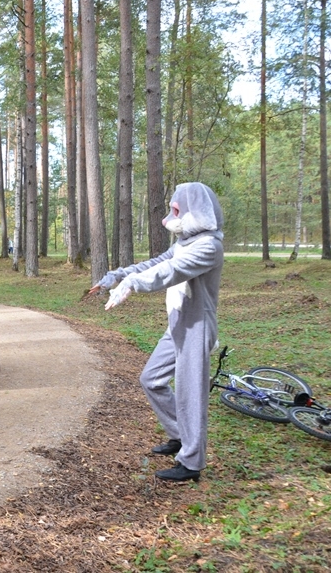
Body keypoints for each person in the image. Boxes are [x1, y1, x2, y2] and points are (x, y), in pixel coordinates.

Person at [91, 182, 224, 482]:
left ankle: (192, 462)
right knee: (151, 378)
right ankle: (180, 435)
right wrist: (117, 276)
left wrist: (133, 284)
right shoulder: (185, 243)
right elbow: (157, 262)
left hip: (197, 327)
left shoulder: (209, 246)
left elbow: (170, 272)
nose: (170, 216)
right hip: (178, 323)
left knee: (192, 393)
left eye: (176, 209)